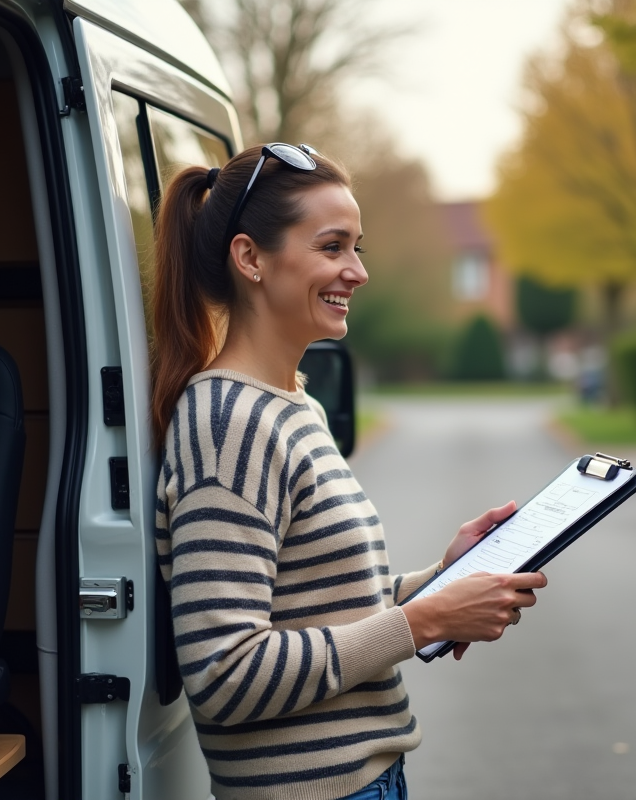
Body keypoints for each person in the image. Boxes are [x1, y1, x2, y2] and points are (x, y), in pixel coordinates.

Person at [151, 143, 548, 800]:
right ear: (250, 258)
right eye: (332, 247)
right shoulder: (227, 423)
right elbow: (225, 674)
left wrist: (441, 582)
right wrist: (424, 621)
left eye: (357, 248)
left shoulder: (295, 403)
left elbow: (318, 607)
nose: (358, 272)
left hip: (369, 780)